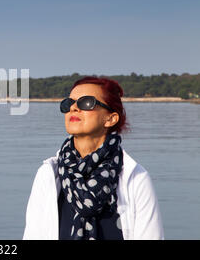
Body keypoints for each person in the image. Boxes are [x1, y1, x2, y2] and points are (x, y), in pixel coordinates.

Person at [23, 76, 164, 240]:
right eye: (69, 103)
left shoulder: (135, 178)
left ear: (110, 118)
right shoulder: (48, 175)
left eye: (86, 103)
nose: (74, 108)